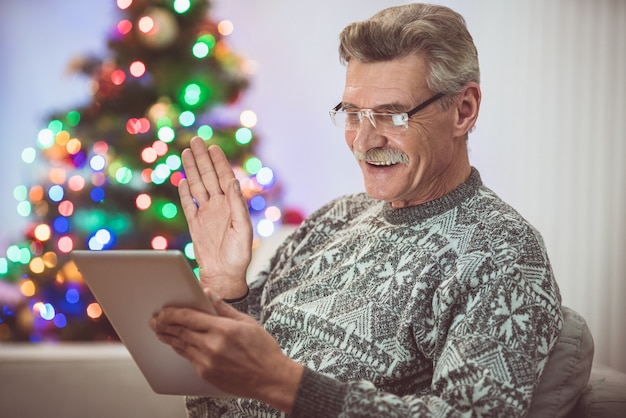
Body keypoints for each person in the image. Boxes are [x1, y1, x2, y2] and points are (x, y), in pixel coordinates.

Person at [150, 3, 563, 417]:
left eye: (392, 115)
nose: (364, 141)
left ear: (464, 110)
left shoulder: (503, 252)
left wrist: (285, 383)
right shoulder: (335, 218)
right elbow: (224, 397)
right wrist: (224, 284)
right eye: (352, 114)